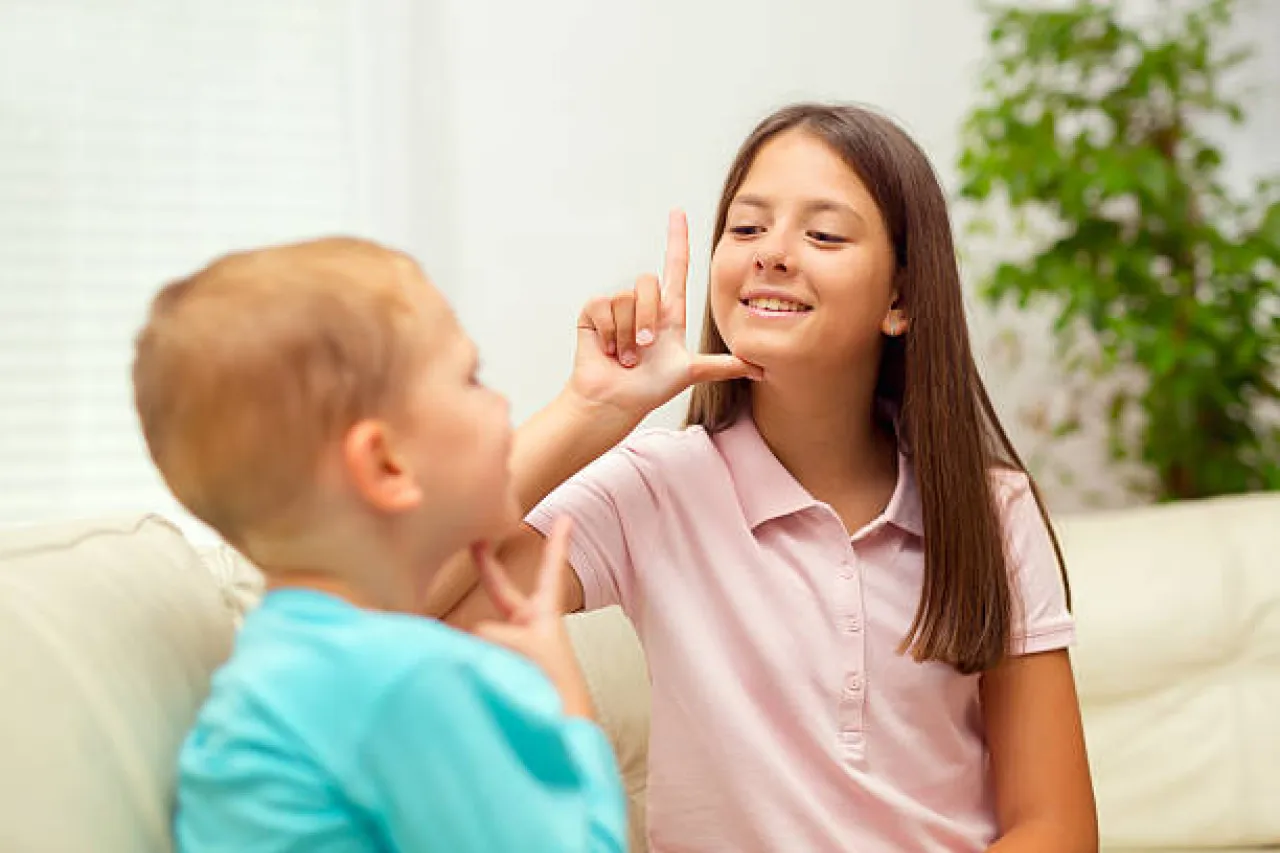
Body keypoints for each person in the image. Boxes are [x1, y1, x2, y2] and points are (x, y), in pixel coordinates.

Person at [426, 102, 1098, 852]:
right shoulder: (656, 488)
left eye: (824, 233)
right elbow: (409, 599)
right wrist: (587, 409)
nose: (772, 252)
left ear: (901, 299)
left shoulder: (992, 508)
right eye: (746, 228)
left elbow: (1056, 825)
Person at [131, 237, 627, 851]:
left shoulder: (272, 670)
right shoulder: (408, 680)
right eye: (470, 378)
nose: (500, 401)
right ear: (386, 464)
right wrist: (568, 705)